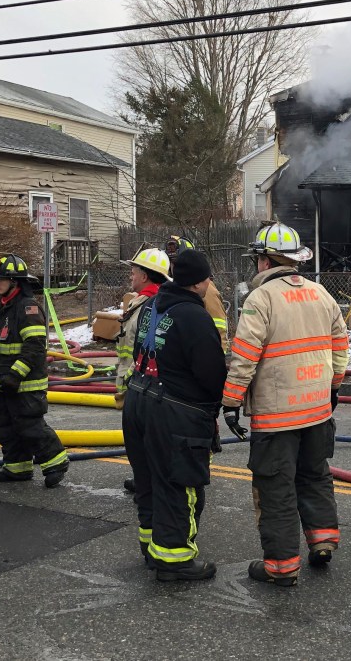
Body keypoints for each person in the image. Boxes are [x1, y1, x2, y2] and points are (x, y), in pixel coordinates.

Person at [221, 222, 350, 587]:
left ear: (264, 260)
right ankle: (322, 541)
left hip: (277, 417)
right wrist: (333, 388)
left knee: (275, 487)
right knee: (315, 475)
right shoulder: (321, 294)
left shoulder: (260, 300)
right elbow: (341, 348)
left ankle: (281, 566)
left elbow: (244, 358)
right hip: (317, 411)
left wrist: (231, 402)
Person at [124, 248, 226, 581]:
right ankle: (174, 558)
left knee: (148, 480)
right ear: (198, 282)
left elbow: (139, 351)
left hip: (139, 401)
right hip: (174, 411)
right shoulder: (194, 316)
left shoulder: (152, 305)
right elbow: (211, 373)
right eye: (207, 278)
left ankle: (152, 546)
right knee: (180, 485)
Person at [0, 253, 70, 487]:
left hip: (24, 384)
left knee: (29, 426)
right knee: (3, 426)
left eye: (0, 279)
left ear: (15, 281)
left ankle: (56, 462)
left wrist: (16, 374)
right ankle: (16, 467)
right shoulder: (4, 308)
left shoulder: (28, 308)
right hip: (3, 382)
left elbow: (35, 347)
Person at [114, 247, 171, 494]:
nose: (131, 275)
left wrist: (130, 380)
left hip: (140, 385)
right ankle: (144, 481)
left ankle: (148, 486)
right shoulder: (142, 302)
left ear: (145, 276)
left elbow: (144, 351)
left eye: (134, 271)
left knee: (145, 439)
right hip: (136, 383)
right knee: (139, 439)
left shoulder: (151, 305)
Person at [166, 235, 229, 354]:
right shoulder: (174, 287)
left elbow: (219, 329)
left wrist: (217, 358)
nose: (174, 268)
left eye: (178, 263)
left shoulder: (207, 290)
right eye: (172, 263)